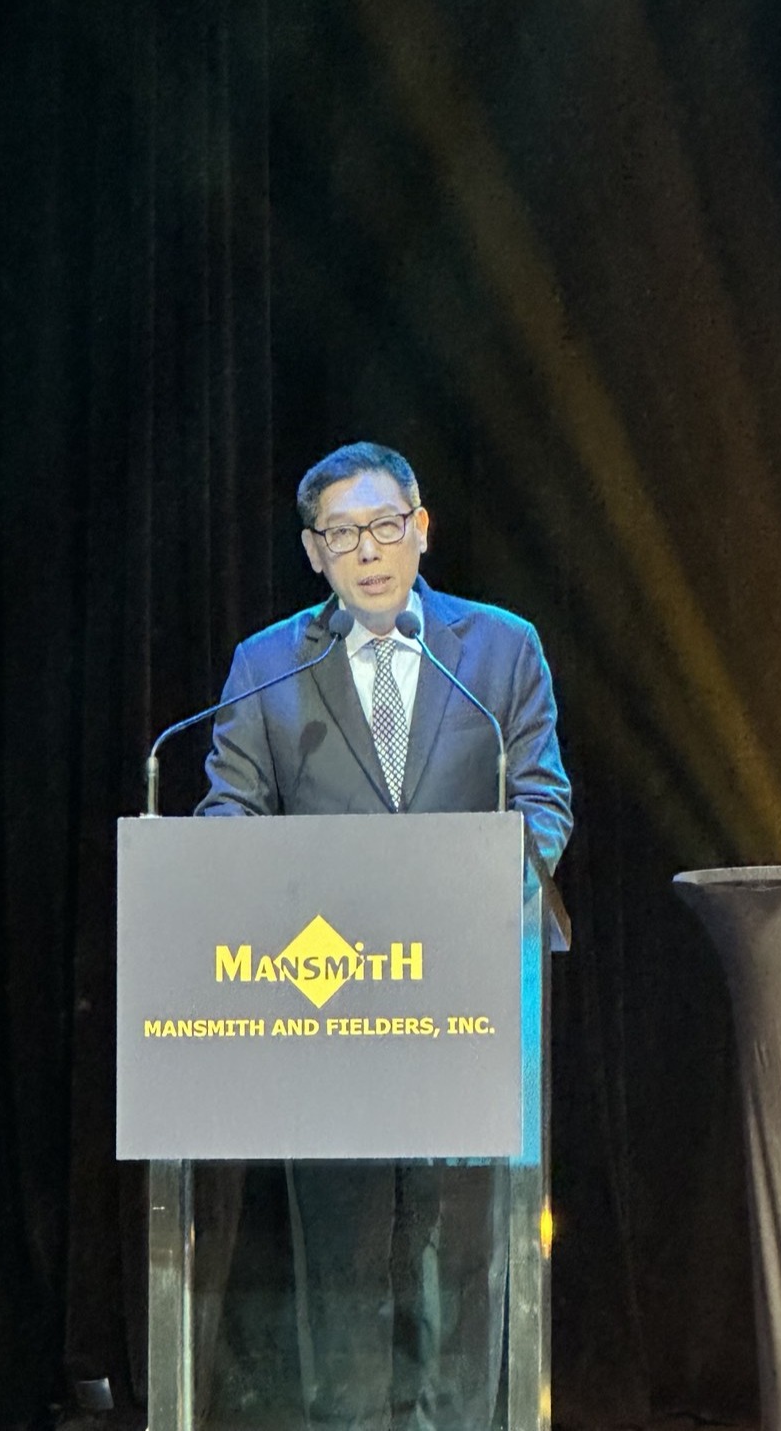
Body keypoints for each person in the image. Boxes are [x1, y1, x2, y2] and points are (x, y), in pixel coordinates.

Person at [195, 441, 573, 1430]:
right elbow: (229, 809)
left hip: (471, 998)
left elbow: (542, 800)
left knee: (464, 1259)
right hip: (328, 1008)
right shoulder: (266, 666)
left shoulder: (501, 649)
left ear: (422, 528)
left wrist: (484, 879)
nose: (367, 550)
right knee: (343, 1262)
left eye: (385, 525)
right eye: (342, 533)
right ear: (313, 552)